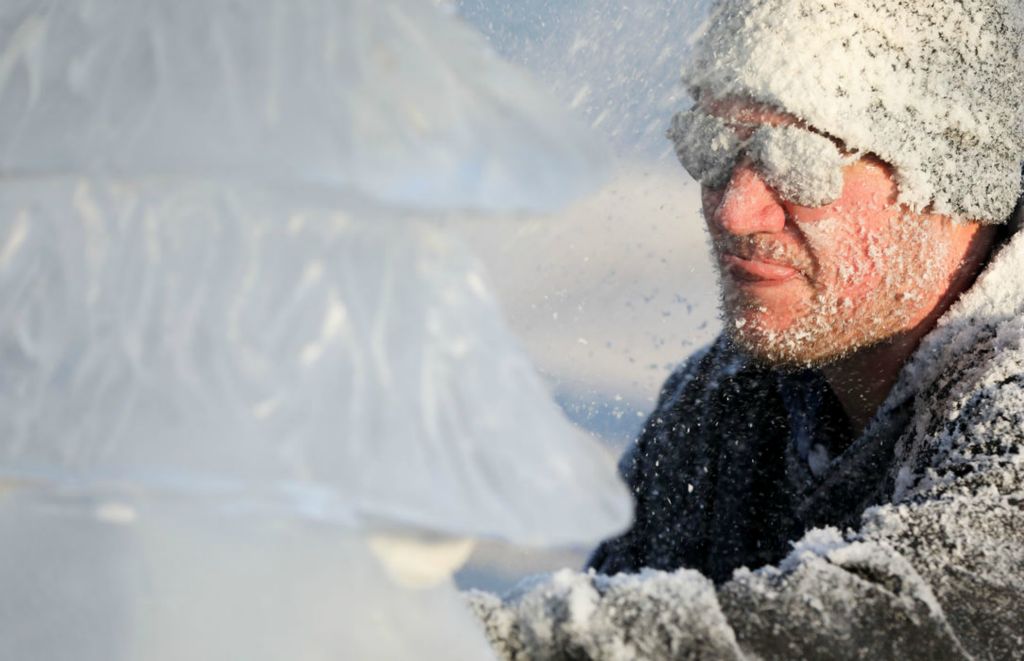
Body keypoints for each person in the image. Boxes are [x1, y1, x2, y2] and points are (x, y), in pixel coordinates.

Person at [467, 1, 1024, 658]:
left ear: (951, 176)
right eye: (714, 144)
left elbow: (914, 626)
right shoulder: (730, 402)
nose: (734, 208)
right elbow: (616, 595)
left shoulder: (1010, 409)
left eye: (796, 158)